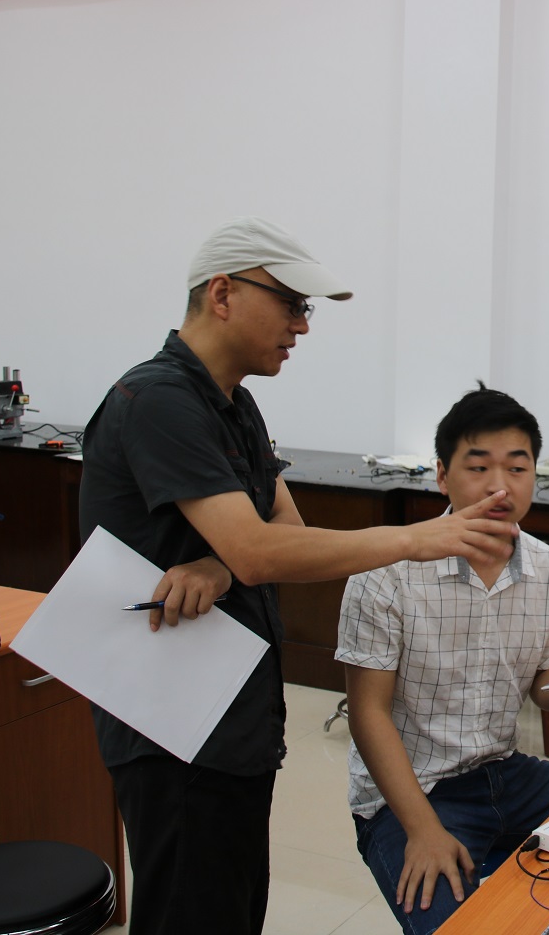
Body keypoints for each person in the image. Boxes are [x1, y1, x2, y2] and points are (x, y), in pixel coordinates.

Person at [78, 217, 520, 935]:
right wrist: (415, 538)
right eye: (290, 304)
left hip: (230, 708)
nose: (302, 326)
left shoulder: (234, 403)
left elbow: (282, 531)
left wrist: (220, 565)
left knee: (232, 907)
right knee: (190, 910)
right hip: (172, 719)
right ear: (223, 294)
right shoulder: (159, 400)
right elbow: (263, 552)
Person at [337, 384, 549, 935]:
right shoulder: (386, 570)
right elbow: (367, 714)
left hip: (506, 773)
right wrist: (423, 830)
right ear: (442, 476)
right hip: (413, 794)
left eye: (517, 468)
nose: (499, 486)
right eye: (479, 467)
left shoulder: (547, 567)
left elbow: (542, 687)